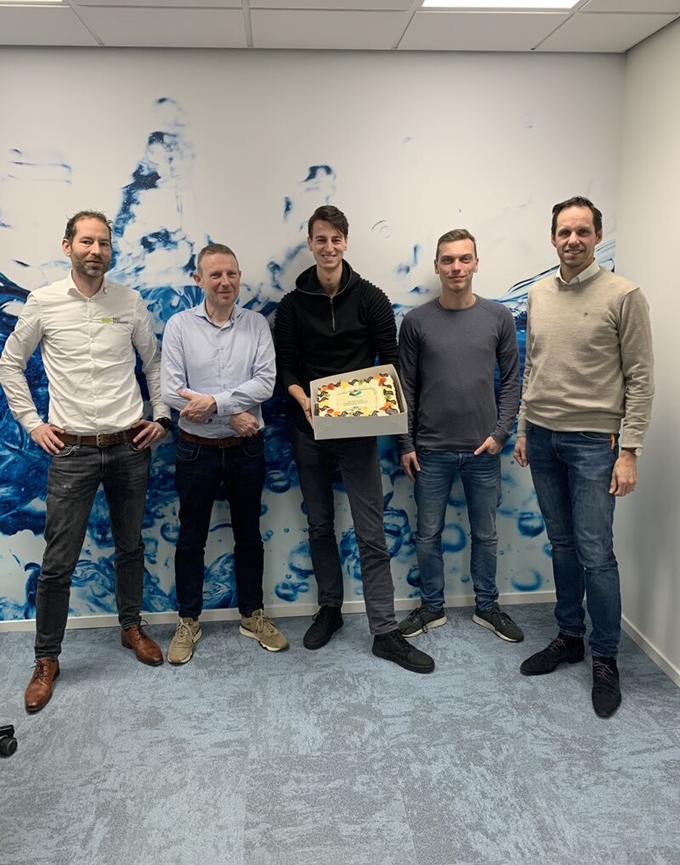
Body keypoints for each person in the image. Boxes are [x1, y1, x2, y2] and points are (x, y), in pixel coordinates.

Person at [0, 210, 171, 714]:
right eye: (87, 242)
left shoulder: (129, 301)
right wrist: (32, 423)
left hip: (128, 446)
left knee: (130, 546)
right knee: (58, 563)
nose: (96, 250)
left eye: (104, 243)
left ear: (111, 250)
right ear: (68, 246)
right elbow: (10, 363)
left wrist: (161, 414)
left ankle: (131, 627)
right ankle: (46, 659)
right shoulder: (43, 302)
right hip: (70, 450)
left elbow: (153, 362)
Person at [275, 205, 434, 674]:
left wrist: (394, 426)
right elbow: (285, 365)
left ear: (346, 242)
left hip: (359, 431)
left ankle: (384, 631)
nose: (329, 247)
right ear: (310, 243)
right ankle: (330, 609)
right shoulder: (291, 305)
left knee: (371, 531)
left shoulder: (371, 298)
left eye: (336, 239)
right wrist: (301, 397)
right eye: (320, 239)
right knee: (319, 525)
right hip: (307, 427)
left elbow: (393, 364)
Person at [513, 196, 654, 718]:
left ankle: (606, 658)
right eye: (564, 232)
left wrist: (630, 450)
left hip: (596, 442)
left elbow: (641, 378)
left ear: (596, 236)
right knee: (563, 544)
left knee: (596, 552)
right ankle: (570, 636)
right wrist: (524, 428)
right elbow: (533, 366)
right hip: (542, 437)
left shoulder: (624, 294)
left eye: (583, 231)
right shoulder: (538, 294)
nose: (572, 240)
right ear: (553, 238)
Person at [161, 243, 287, 663]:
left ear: (239, 277)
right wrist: (231, 411)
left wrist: (216, 404)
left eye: (231, 273)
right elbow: (171, 391)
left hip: (245, 449)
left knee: (249, 535)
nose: (225, 282)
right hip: (195, 450)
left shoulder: (256, 325)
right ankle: (188, 620)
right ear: (198, 279)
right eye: (215, 274)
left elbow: (265, 382)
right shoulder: (179, 326)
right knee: (190, 538)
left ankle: (252, 615)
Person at [397, 228, 524, 643]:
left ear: (476, 263)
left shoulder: (498, 317)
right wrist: (405, 443)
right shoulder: (416, 322)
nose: (456, 267)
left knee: (486, 534)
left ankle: (487, 606)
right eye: (448, 260)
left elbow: (512, 380)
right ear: (437, 266)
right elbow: (405, 387)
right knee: (427, 535)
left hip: (483, 449)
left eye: (464, 258)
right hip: (430, 450)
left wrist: (501, 433)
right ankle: (431, 607)